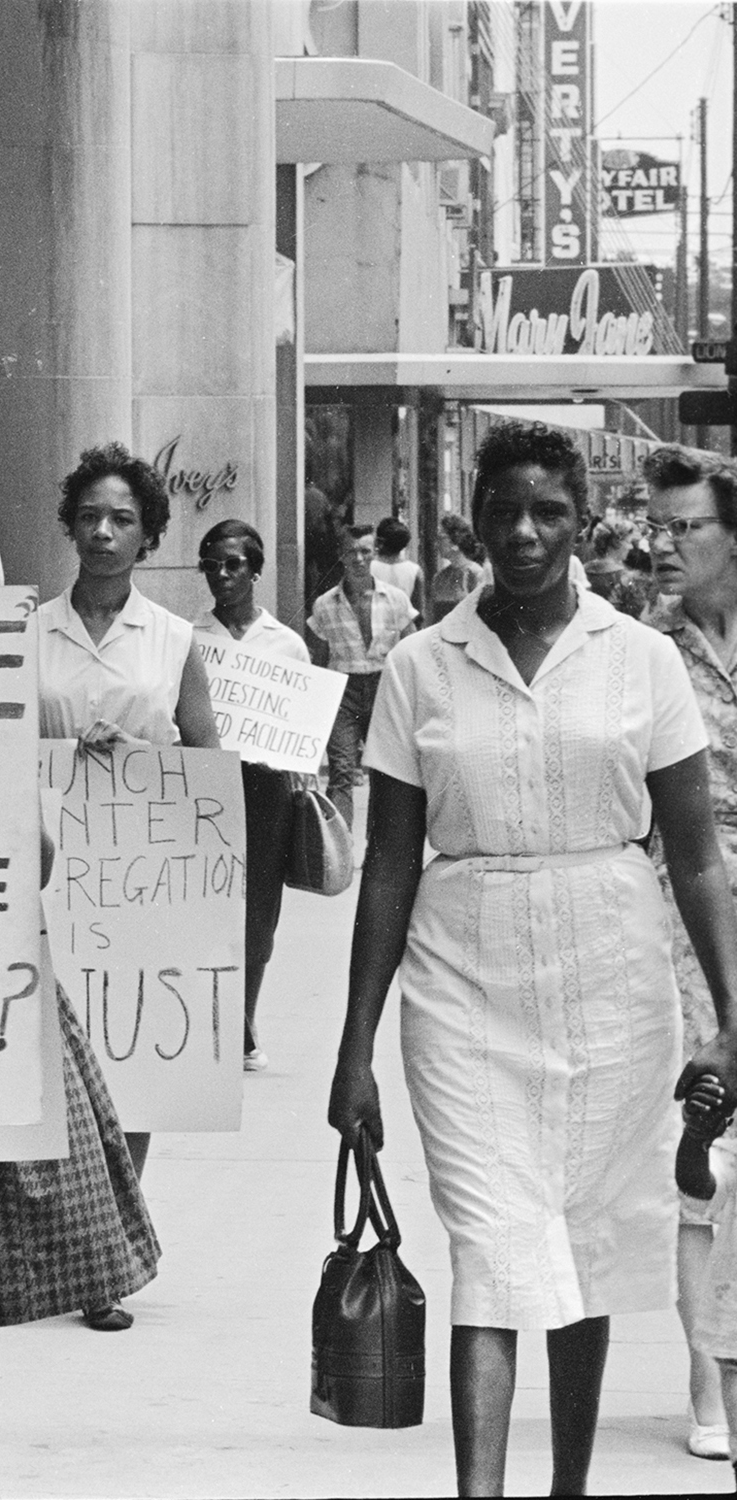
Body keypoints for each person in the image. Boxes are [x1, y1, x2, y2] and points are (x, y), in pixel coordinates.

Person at [327, 420, 737, 1497]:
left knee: (583, 1244)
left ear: (578, 521)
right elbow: (385, 866)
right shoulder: (422, 666)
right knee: (493, 1247)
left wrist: (736, 1021)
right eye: (504, 508)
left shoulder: (641, 660)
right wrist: (353, 1046)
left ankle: (566, 1487)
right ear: (473, 516)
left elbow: (693, 860)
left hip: (612, 969)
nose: (524, 532)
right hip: (462, 978)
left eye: (548, 511)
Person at [33, 440, 219, 1331]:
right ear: (69, 526)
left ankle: (107, 1256)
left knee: (137, 1064)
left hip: (143, 877)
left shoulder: (176, 639)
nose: (103, 532)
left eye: (123, 520)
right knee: (56, 1060)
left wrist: (144, 764)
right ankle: (57, 1239)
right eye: (91, 517)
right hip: (53, 870)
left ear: (148, 537)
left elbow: (206, 763)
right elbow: (1, 747)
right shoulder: (29, 633)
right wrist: (67, 757)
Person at [642, 446, 737, 1461]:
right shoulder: (643, 654)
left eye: (687, 527)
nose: (664, 544)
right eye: (657, 527)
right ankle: (707, 1386)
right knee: (704, 1155)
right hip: (683, 919)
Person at [192, 517, 309, 1071]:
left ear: (256, 570)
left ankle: (244, 1016)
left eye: (233, 564)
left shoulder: (286, 644)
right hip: (209, 787)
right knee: (211, 905)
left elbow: (302, 723)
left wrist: (302, 767)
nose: (222, 575)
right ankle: (224, 1023)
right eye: (211, 565)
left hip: (267, 790)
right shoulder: (190, 638)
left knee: (258, 912)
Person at [307, 523, 415, 826]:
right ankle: (338, 851)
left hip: (383, 688)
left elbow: (412, 649)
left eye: (365, 551)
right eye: (351, 552)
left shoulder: (395, 599)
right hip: (343, 692)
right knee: (341, 771)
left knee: (386, 772)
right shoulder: (324, 605)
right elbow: (319, 660)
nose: (358, 558)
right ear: (341, 555)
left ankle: (381, 851)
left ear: (375, 553)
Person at [428, 512, 486, 624]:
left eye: (441, 538)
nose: (437, 543)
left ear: (456, 541)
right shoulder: (440, 577)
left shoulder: (475, 574)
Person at [372, 515, 422, 617]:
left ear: (379, 541)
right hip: (404, 623)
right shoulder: (414, 570)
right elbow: (417, 608)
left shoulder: (370, 567)